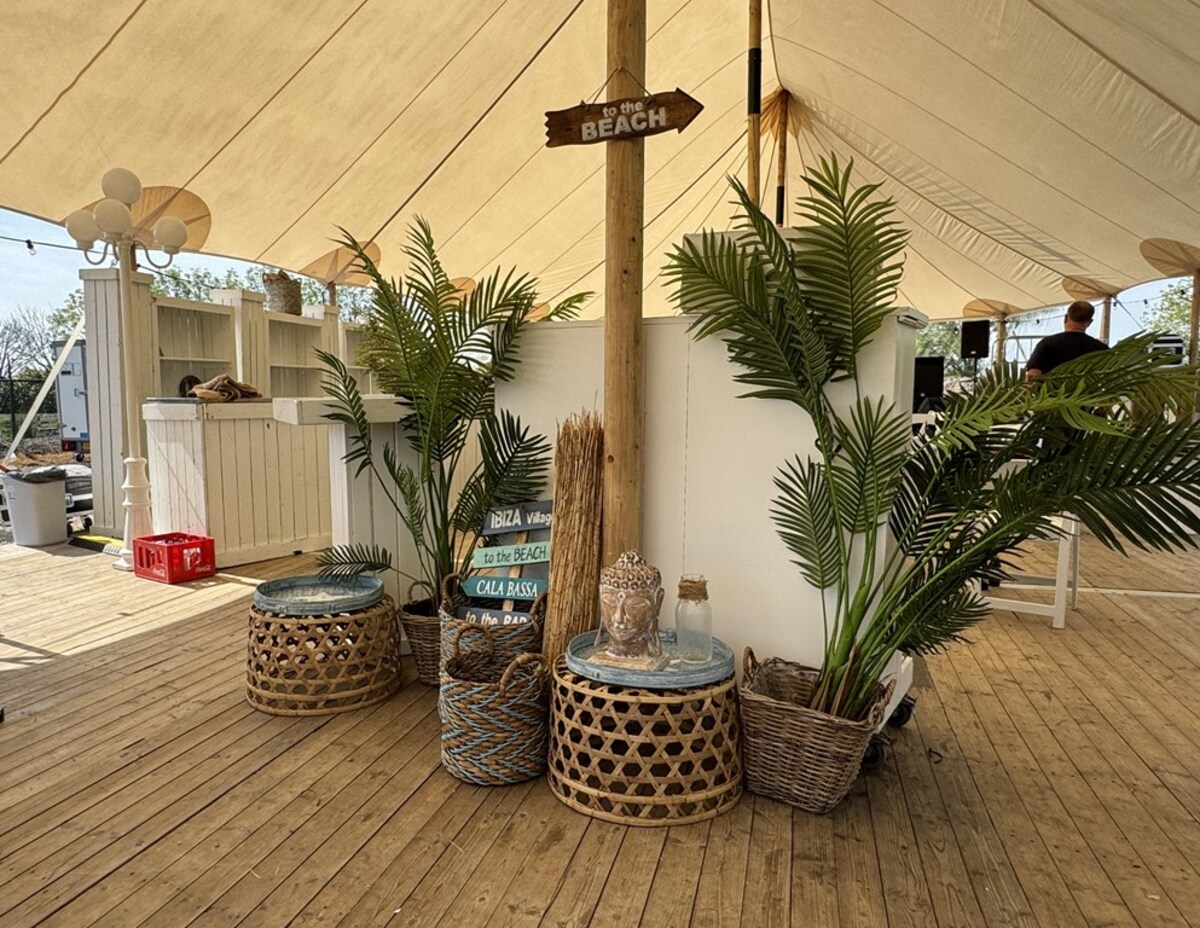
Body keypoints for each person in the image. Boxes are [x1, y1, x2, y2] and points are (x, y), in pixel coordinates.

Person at [1025, 300, 1108, 379]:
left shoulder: (1047, 343)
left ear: (1065, 318)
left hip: (1051, 389)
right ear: (1089, 322)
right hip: (1088, 389)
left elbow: (1033, 375)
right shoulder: (1101, 349)